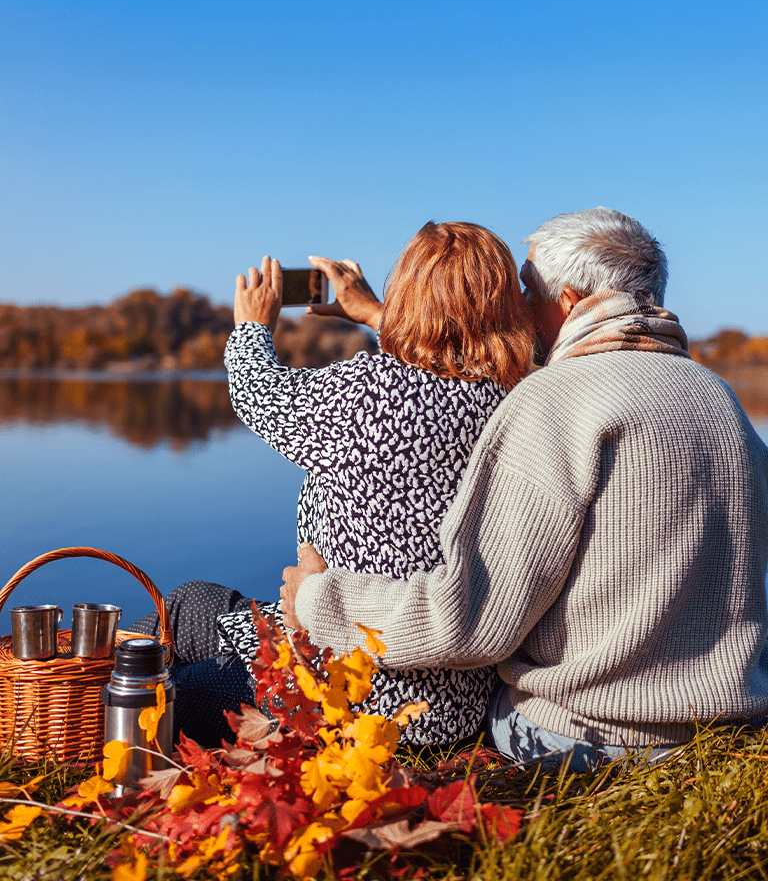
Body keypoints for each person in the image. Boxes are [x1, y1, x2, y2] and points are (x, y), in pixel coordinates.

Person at [281, 207, 768, 770]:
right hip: (725, 727)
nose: (514, 308)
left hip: (588, 737)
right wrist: (378, 312)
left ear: (565, 302)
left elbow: (468, 625)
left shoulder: (554, 403)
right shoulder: (720, 401)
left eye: (525, 289)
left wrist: (321, 600)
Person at [134, 221, 533, 746]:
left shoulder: (369, 391)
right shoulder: (521, 402)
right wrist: (371, 311)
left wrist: (253, 325)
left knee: (155, 693)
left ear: (408, 295)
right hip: (453, 701)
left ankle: (66, 706)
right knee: (188, 603)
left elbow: (259, 395)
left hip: (344, 693)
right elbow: (455, 348)